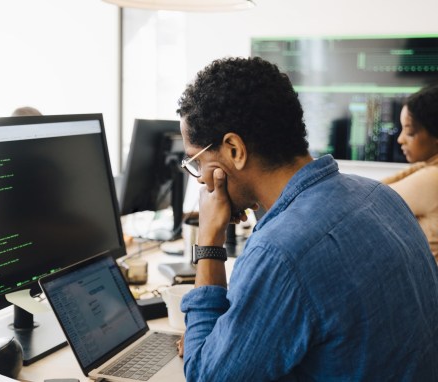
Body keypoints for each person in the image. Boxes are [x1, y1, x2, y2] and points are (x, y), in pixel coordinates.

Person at [176, 57, 438, 381]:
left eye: (197, 161)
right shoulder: (378, 196)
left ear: (234, 149)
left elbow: (207, 376)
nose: (201, 180)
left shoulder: (279, 254)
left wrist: (209, 242)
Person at [381, 85, 438, 262]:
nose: (400, 139)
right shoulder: (428, 168)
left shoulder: (433, 179)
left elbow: (368, 199)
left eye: (410, 132)